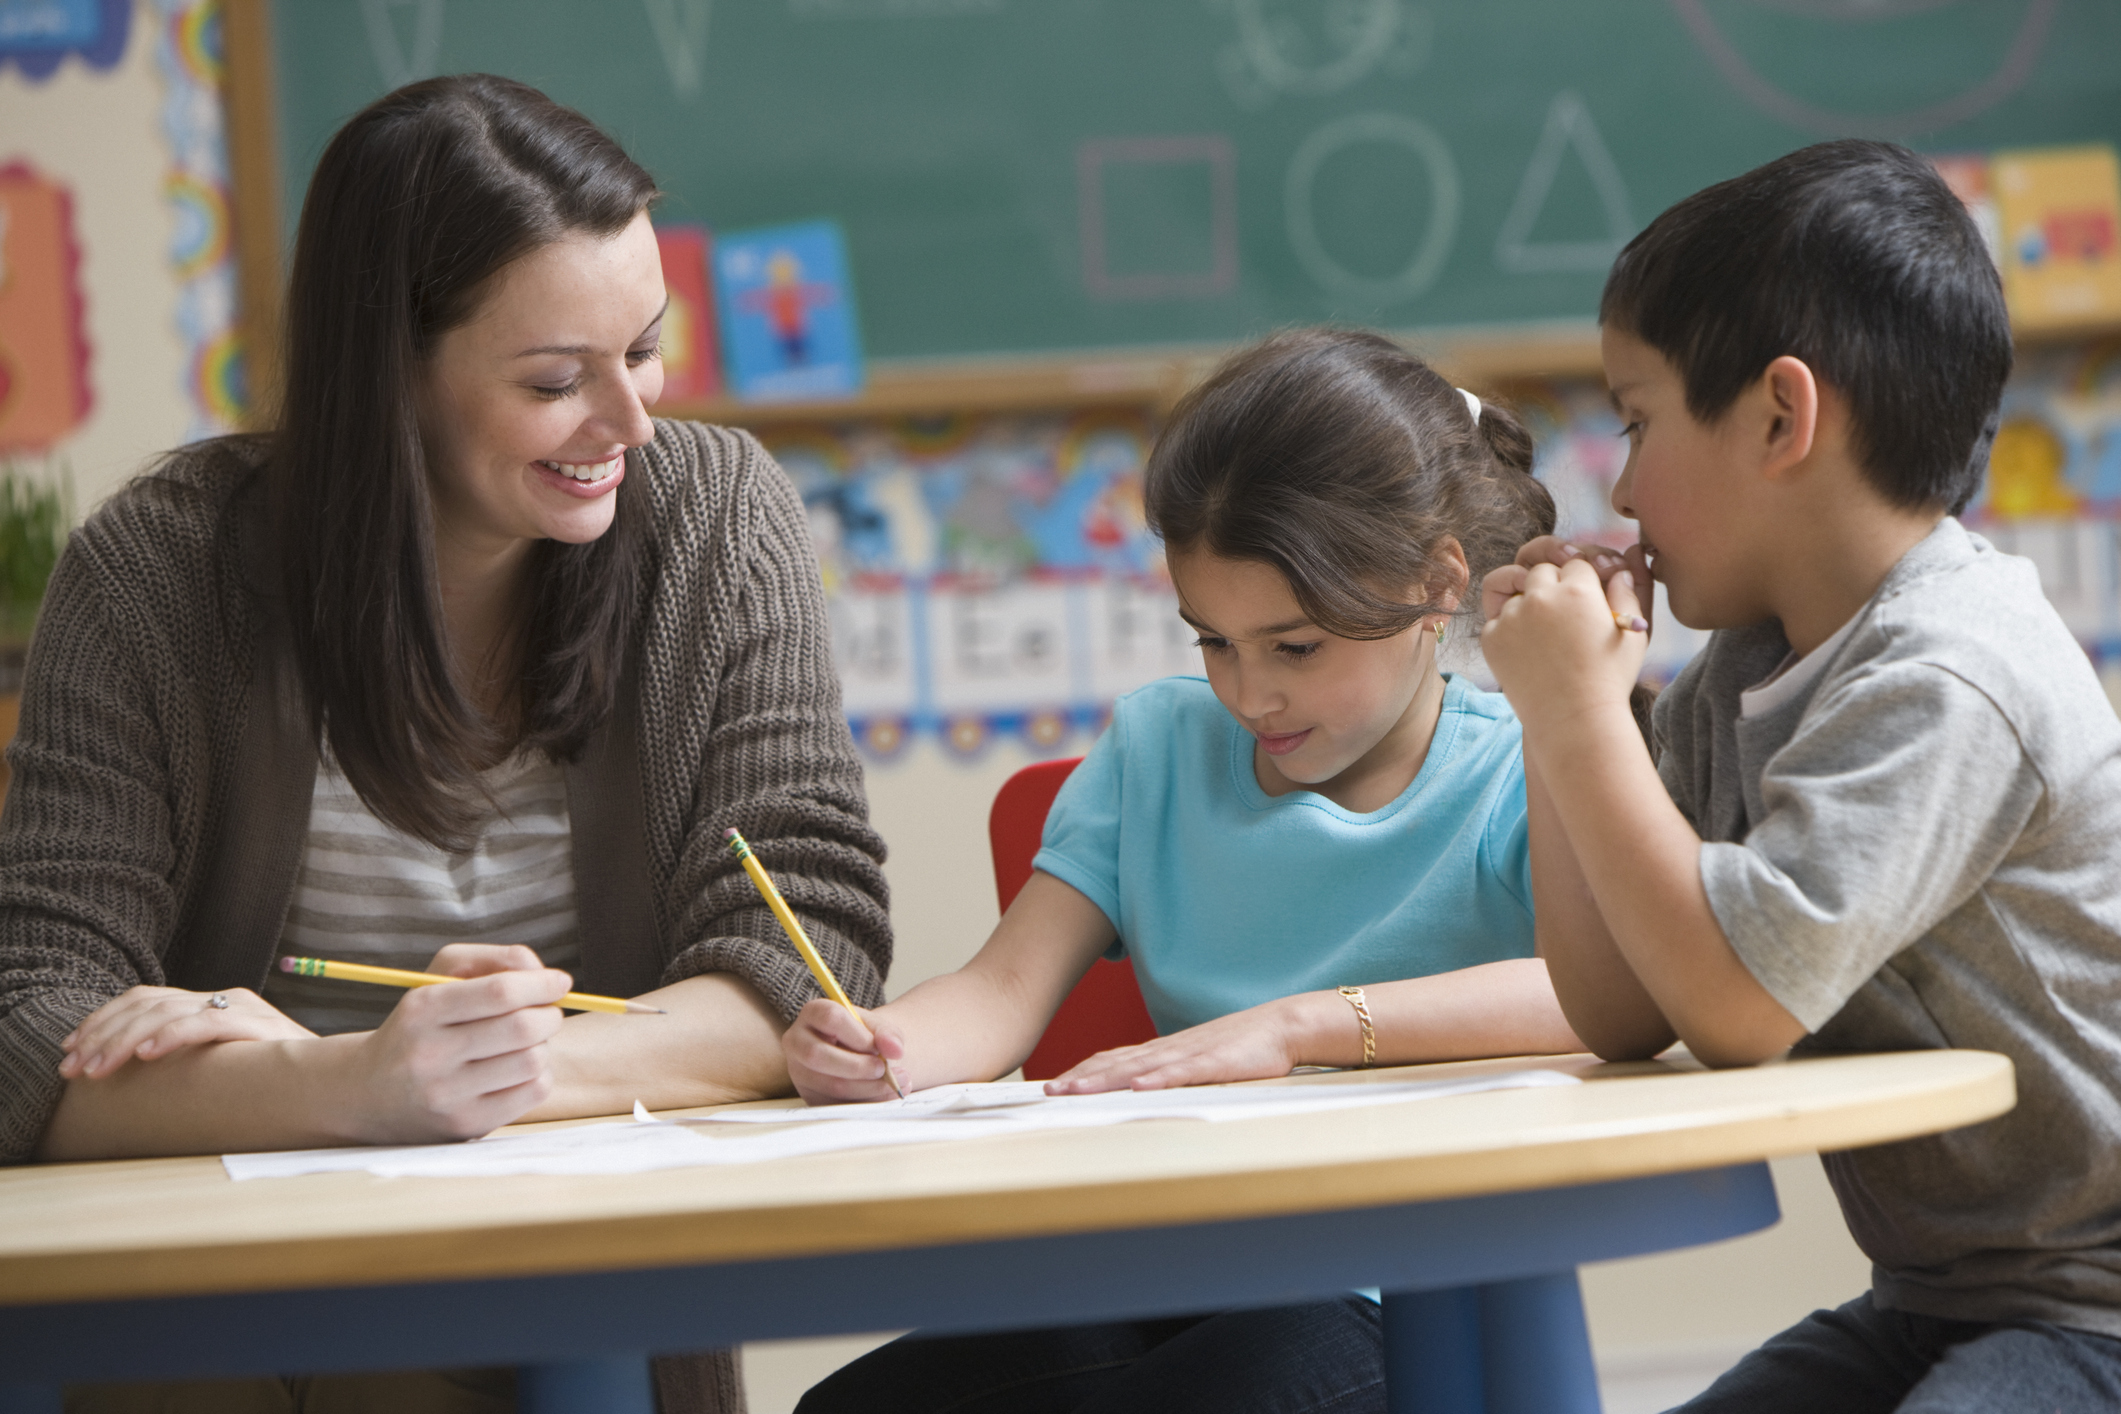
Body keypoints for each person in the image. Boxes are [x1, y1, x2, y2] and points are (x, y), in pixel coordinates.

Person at [0, 75, 890, 1412]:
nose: (633, 425)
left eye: (644, 349)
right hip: (205, 1273)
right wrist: (341, 1081)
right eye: (554, 380)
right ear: (394, 374)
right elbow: (31, 1026)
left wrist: (463, 1081)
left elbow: (803, 962)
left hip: (548, 1263)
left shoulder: (716, 521)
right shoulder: (160, 571)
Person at [787, 328, 1585, 1414]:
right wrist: (887, 1046)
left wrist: (1297, 1026)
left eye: (1295, 647)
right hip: (1173, 1258)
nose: (1250, 695)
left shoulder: (1516, 770)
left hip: (1410, 1286)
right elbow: (999, 991)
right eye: (1213, 641)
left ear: (1437, 585)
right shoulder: (1155, 751)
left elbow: (1591, 993)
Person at [1482, 139, 2121, 1413]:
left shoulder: (1948, 672)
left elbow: (1734, 1002)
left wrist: (1577, 717)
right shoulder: (1745, 671)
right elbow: (1621, 1007)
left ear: (1782, 416)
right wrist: (1563, 726)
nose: (1616, 481)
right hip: (1944, 1297)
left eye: (1637, 418)